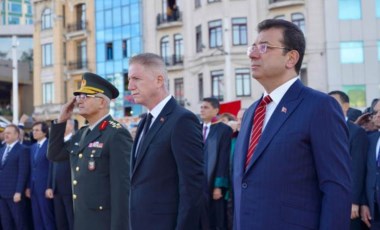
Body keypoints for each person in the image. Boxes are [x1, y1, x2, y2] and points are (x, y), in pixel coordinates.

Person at [233, 19, 351, 230]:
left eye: (264, 47)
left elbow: (336, 189)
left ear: (291, 58)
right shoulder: (252, 112)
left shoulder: (320, 107)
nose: (252, 54)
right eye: (252, 47)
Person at [127, 53, 204, 229]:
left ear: (159, 80)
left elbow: (192, 188)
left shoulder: (182, 120)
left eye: (136, 79)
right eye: (129, 79)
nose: (130, 86)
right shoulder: (145, 121)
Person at [47, 72, 132, 229]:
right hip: (82, 219)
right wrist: (61, 120)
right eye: (78, 96)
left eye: (86, 95)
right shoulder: (83, 133)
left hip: (103, 223)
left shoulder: (116, 133)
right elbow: (54, 154)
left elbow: (122, 190)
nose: (79, 100)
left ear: (101, 102)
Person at [328, 90, 369, 230]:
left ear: (346, 106)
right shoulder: (322, 129)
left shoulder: (356, 132)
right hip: (327, 197)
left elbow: (358, 168)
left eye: (334, 103)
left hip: (348, 200)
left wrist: (354, 201)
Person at [200, 97, 232, 230]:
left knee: (216, 219)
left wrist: (218, 186)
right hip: (198, 183)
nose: (202, 110)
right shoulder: (196, 128)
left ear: (216, 110)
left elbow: (223, 159)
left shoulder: (223, 130)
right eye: (201, 107)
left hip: (213, 182)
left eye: (206, 107)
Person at [25, 121, 56, 230]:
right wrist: (28, 186)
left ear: (44, 132)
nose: (34, 132)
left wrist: (49, 186)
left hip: (45, 188)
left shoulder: (50, 145)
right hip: (33, 188)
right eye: (33, 130)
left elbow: (52, 168)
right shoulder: (32, 147)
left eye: (37, 130)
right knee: (36, 218)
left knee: (47, 217)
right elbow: (31, 168)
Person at [0, 124, 30, 229]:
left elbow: (23, 172)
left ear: (17, 135)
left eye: (9, 133)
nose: (5, 135)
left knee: (20, 223)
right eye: (5, 133)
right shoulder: (2, 149)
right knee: (6, 223)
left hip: (14, 194)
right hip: (2, 194)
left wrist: (18, 191)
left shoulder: (23, 150)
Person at [48, 119, 75, 230]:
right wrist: (49, 186)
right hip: (56, 189)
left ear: (71, 127)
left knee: (72, 221)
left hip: (70, 189)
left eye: (65, 123)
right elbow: (51, 166)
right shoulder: (56, 144)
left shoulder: (75, 141)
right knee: (60, 221)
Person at [361, 99, 380, 229]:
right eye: (376, 112)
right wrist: (364, 203)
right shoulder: (371, 139)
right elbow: (364, 173)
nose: (377, 115)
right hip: (374, 210)